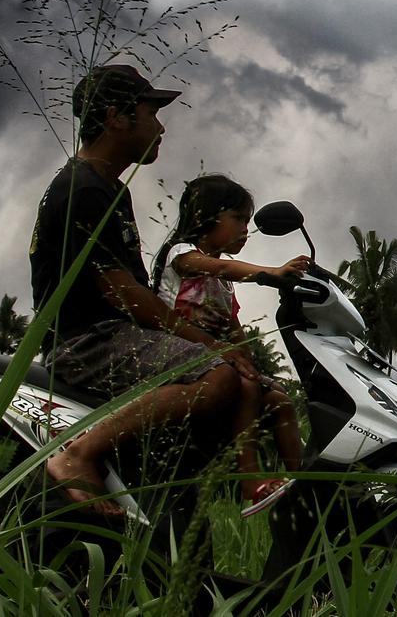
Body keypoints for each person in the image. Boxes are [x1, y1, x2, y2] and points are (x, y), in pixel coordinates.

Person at [32, 64, 256, 516]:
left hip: (115, 337)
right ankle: (77, 454)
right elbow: (124, 293)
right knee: (218, 375)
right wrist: (209, 344)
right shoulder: (83, 188)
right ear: (116, 117)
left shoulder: (110, 189)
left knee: (250, 391)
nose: (161, 126)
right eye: (150, 112)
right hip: (88, 342)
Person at [151, 173, 308, 517]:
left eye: (247, 221)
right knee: (248, 389)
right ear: (204, 216)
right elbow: (221, 267)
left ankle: (306, 485)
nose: (245, 229)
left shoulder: (223, 285)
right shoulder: (183, 255)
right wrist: (271, 273)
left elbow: (234, 327)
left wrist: (250, 361)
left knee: (280, 400)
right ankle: (250, 481)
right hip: (176, 354)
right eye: (238, 218)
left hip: (213, 358)